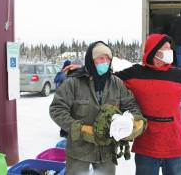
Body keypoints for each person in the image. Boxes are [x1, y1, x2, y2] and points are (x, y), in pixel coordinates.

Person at [66, 34, 181, 175]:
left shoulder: (177, 74)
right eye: (166, 49)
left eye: (170, 49)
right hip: (146, 147)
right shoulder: (134, 73)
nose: (170, 52)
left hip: (174, 146)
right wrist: (84, 69)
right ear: (154, 51)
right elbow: (106, 76)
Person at [49, 41, 145, 175]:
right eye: (101, 58)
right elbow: (57, 109)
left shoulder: (116, 83)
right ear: (91, 60)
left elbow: (131, 105)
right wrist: (79, 129)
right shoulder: (73, 82)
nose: (105, 62)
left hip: (106, 152)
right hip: (79, 150)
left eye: (108, 59)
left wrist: (135, 121)